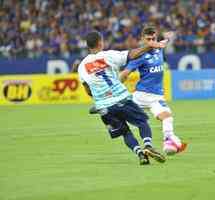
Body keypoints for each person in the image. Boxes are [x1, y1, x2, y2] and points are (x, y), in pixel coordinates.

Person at [78, 31, 167, 165]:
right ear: (100, 42)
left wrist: (100, 97)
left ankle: (140, 154)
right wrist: (152, 46)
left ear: (88, 45)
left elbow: (88, 91)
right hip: (121, 99)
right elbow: (132, 54)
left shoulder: (81, 67)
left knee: (125, 132)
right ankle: (148, 146)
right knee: (143, 122)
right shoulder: (108, 55)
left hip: (104, 107)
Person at [118, 25, 187, 154]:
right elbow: (124, 74)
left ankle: (168, 142)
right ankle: (172, 141)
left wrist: (167, 38)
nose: (151, 42)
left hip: (156, 97)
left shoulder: (159, 48)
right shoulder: (140, 56)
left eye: (153, 38)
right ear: (143, 39)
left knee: (167, 117)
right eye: (148, 39)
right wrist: (116, 86)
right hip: (141, 95)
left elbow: (165, 41)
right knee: (118, 114)